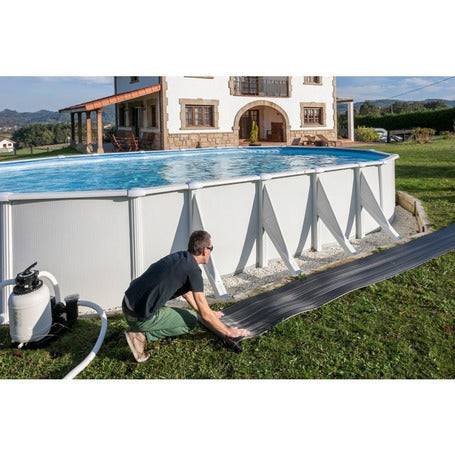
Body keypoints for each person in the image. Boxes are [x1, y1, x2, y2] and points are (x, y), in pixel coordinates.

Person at [123, 230, 250, 362]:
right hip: (138, 317)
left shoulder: (180, 257)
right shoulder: (194, 271)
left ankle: (141, 328)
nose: (211, 251)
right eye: (211, 248)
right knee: (191, 320)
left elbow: (187, 293)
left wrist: (209, 312)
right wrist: (228, 332)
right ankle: (139, 334)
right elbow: (204, 315)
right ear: (205, 251)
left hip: (127, 305)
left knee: (193, 313)